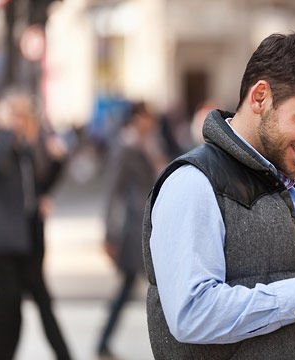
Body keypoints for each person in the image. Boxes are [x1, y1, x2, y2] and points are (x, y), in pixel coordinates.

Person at [143, 33, 295, 360]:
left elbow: (293, 297)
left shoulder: (290, 178)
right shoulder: (192, 183)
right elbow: (191, 314)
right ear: (260, 97)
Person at [0, 91, 72, 359]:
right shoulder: (3, 144)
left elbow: (36, 189)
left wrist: (57, 162)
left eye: (24, 115)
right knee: (9, 312)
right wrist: (7, 130)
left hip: (28, 241)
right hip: (5, 246)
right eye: (15, 115)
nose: (21, 121)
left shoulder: (23, 150)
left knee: (40, 305)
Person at [97, 101, 167, 359]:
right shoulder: (126, 148)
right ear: (137, 118)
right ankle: (104, 340)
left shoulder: (147, 144)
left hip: (147, 223)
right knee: (145, 284)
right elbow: (112, 193)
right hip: (132, 228)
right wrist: (109, 234)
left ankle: (103, 340)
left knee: (132, 286)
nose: (151, 122)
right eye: (147, 117)